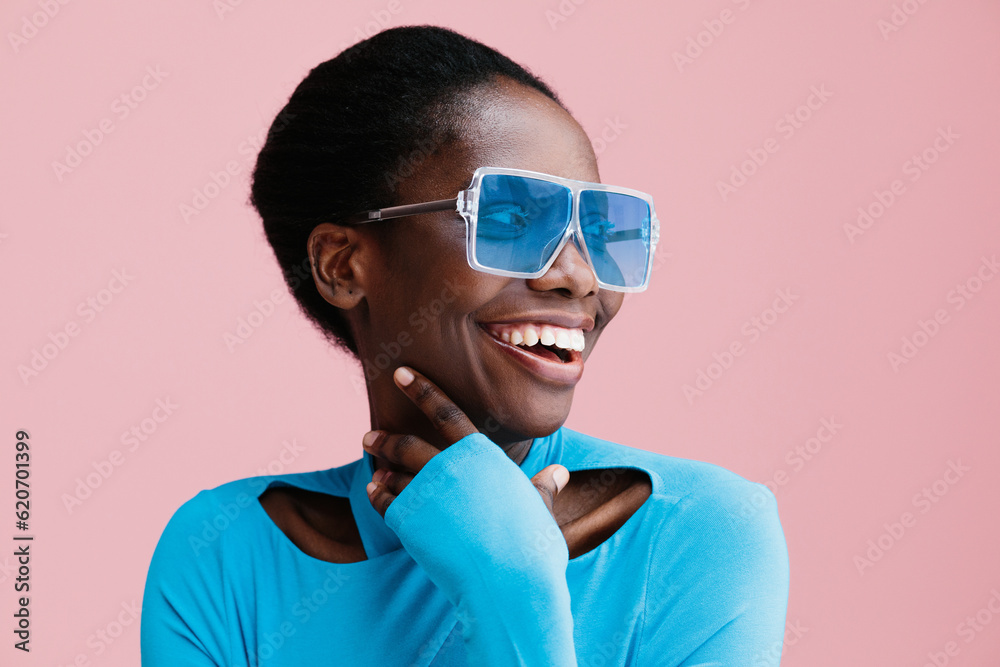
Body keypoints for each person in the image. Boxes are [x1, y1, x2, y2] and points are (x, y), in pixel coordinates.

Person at [140, 25, 789, 666]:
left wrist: (510, 590)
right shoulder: (222, 557)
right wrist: (507, 585)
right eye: (509, 219)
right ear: (342, 265)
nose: (577, 275)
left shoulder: (702, 535)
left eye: (603, 228)